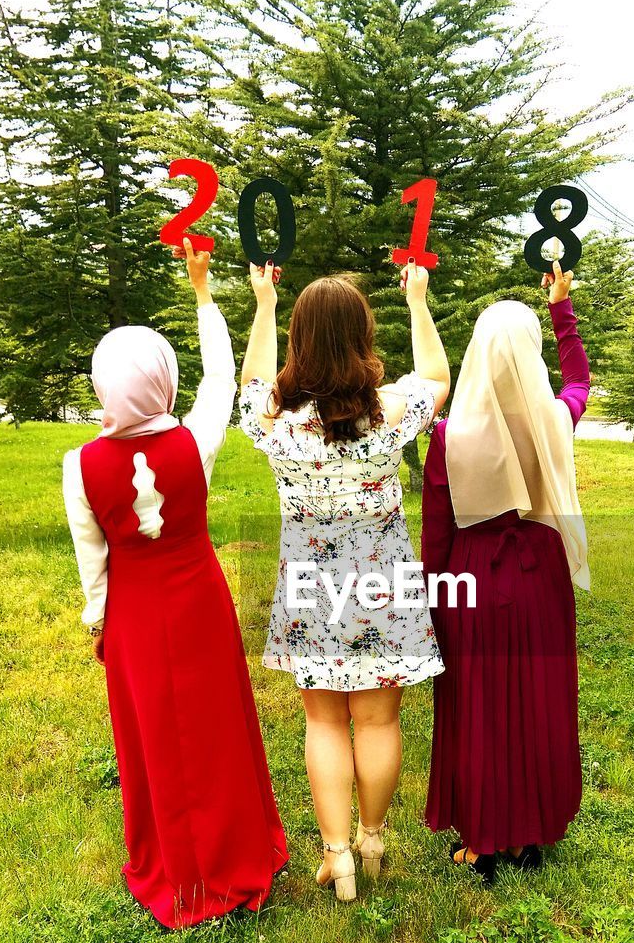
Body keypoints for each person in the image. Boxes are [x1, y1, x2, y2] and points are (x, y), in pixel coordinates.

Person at [62, 239, 288, 928]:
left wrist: (99, 621)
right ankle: (234, 852)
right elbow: (220, 380)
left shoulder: (79, 465)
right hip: (198, 600)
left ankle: (177, 867)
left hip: (134, 611)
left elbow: (92, 560)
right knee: (215, 727)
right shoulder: (194, 441)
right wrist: (204, 295)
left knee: (156, 733)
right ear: (161, 378)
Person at [239, 260, 450, 901]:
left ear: (300, 340)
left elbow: (251, 377)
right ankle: (374, 837)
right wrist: (417, 300)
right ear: (363, 335)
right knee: (380, 720)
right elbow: (439, 377)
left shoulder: (277, 419)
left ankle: (339, 857)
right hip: (381, 586)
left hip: (311, 590)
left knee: (325, 723)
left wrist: (265, 303)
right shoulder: (390, 412)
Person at [421, 260, 590, 883]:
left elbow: (437, 531)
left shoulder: (447, 437)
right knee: (539, 704)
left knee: (476, 705)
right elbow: (578, 381)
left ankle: (483, 842)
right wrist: (561, 310)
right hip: (540, 576)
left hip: (470, 576)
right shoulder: (554, 424)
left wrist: (430, 600)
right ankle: (532, 835)